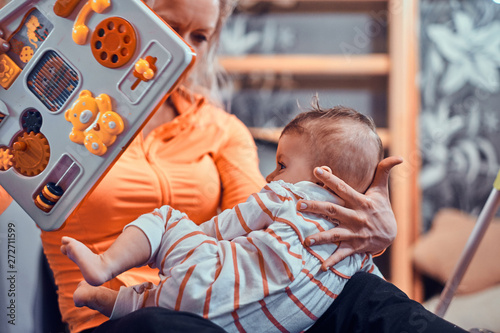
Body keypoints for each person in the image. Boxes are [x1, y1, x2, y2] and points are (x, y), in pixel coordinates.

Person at [0, 0, 403, 332]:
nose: (188, 53)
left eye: (200, 37)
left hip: (219, 305)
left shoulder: (221, 130)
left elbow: (278, 232)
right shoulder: (47, 132)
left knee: (366, 295)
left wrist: (372, 233)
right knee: (160, 323)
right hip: (120, 323)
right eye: (171, 27)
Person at [61, 105, 385, 332]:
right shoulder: (355, 248)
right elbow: (379, 290)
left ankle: (104, 267)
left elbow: (225, 227)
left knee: (166, 221)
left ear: (321, 177)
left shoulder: (286, 196)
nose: (271, 177)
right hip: (246, 325)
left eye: (282, 165)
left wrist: (182, 240)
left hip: (200, 284)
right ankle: (109, 298)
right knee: (159, 310)